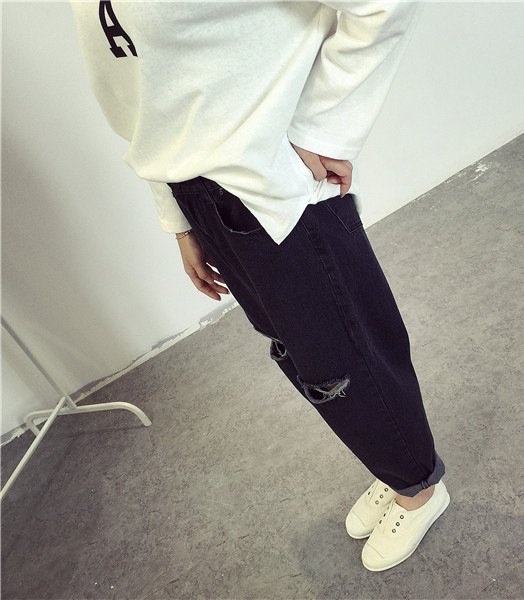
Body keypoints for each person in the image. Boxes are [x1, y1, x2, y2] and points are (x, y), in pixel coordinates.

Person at [71, 0, 449, 572]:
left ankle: (419, 486)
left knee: (345, 357)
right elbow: (142, 100)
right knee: (307, 358)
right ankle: (397, 463)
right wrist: (179, 219)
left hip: (273, 183)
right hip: (200, 194)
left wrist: (323, 129)